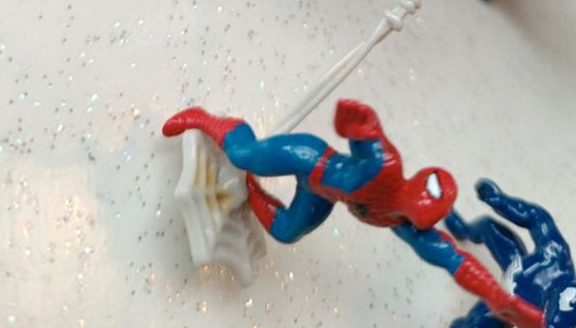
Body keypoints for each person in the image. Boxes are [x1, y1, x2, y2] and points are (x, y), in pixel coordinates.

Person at [163, 99, 544, 328]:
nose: (413, 212)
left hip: (321, 195)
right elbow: (364, 131)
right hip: (311, 159)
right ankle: (206, 119)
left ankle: (248, 188)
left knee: (286, 230)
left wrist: (499, 299)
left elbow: (455, 261)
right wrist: (359, 125)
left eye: (422, 214)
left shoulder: (405, 226)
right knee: (245, 154)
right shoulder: (387, 167)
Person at [446, 179, 576, 328]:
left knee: (477, 323)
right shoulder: (556, 255)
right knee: (487, 226)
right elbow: (538, 218)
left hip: (506, 305)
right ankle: (463, 229)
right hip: (515, 264)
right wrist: (503, 202)